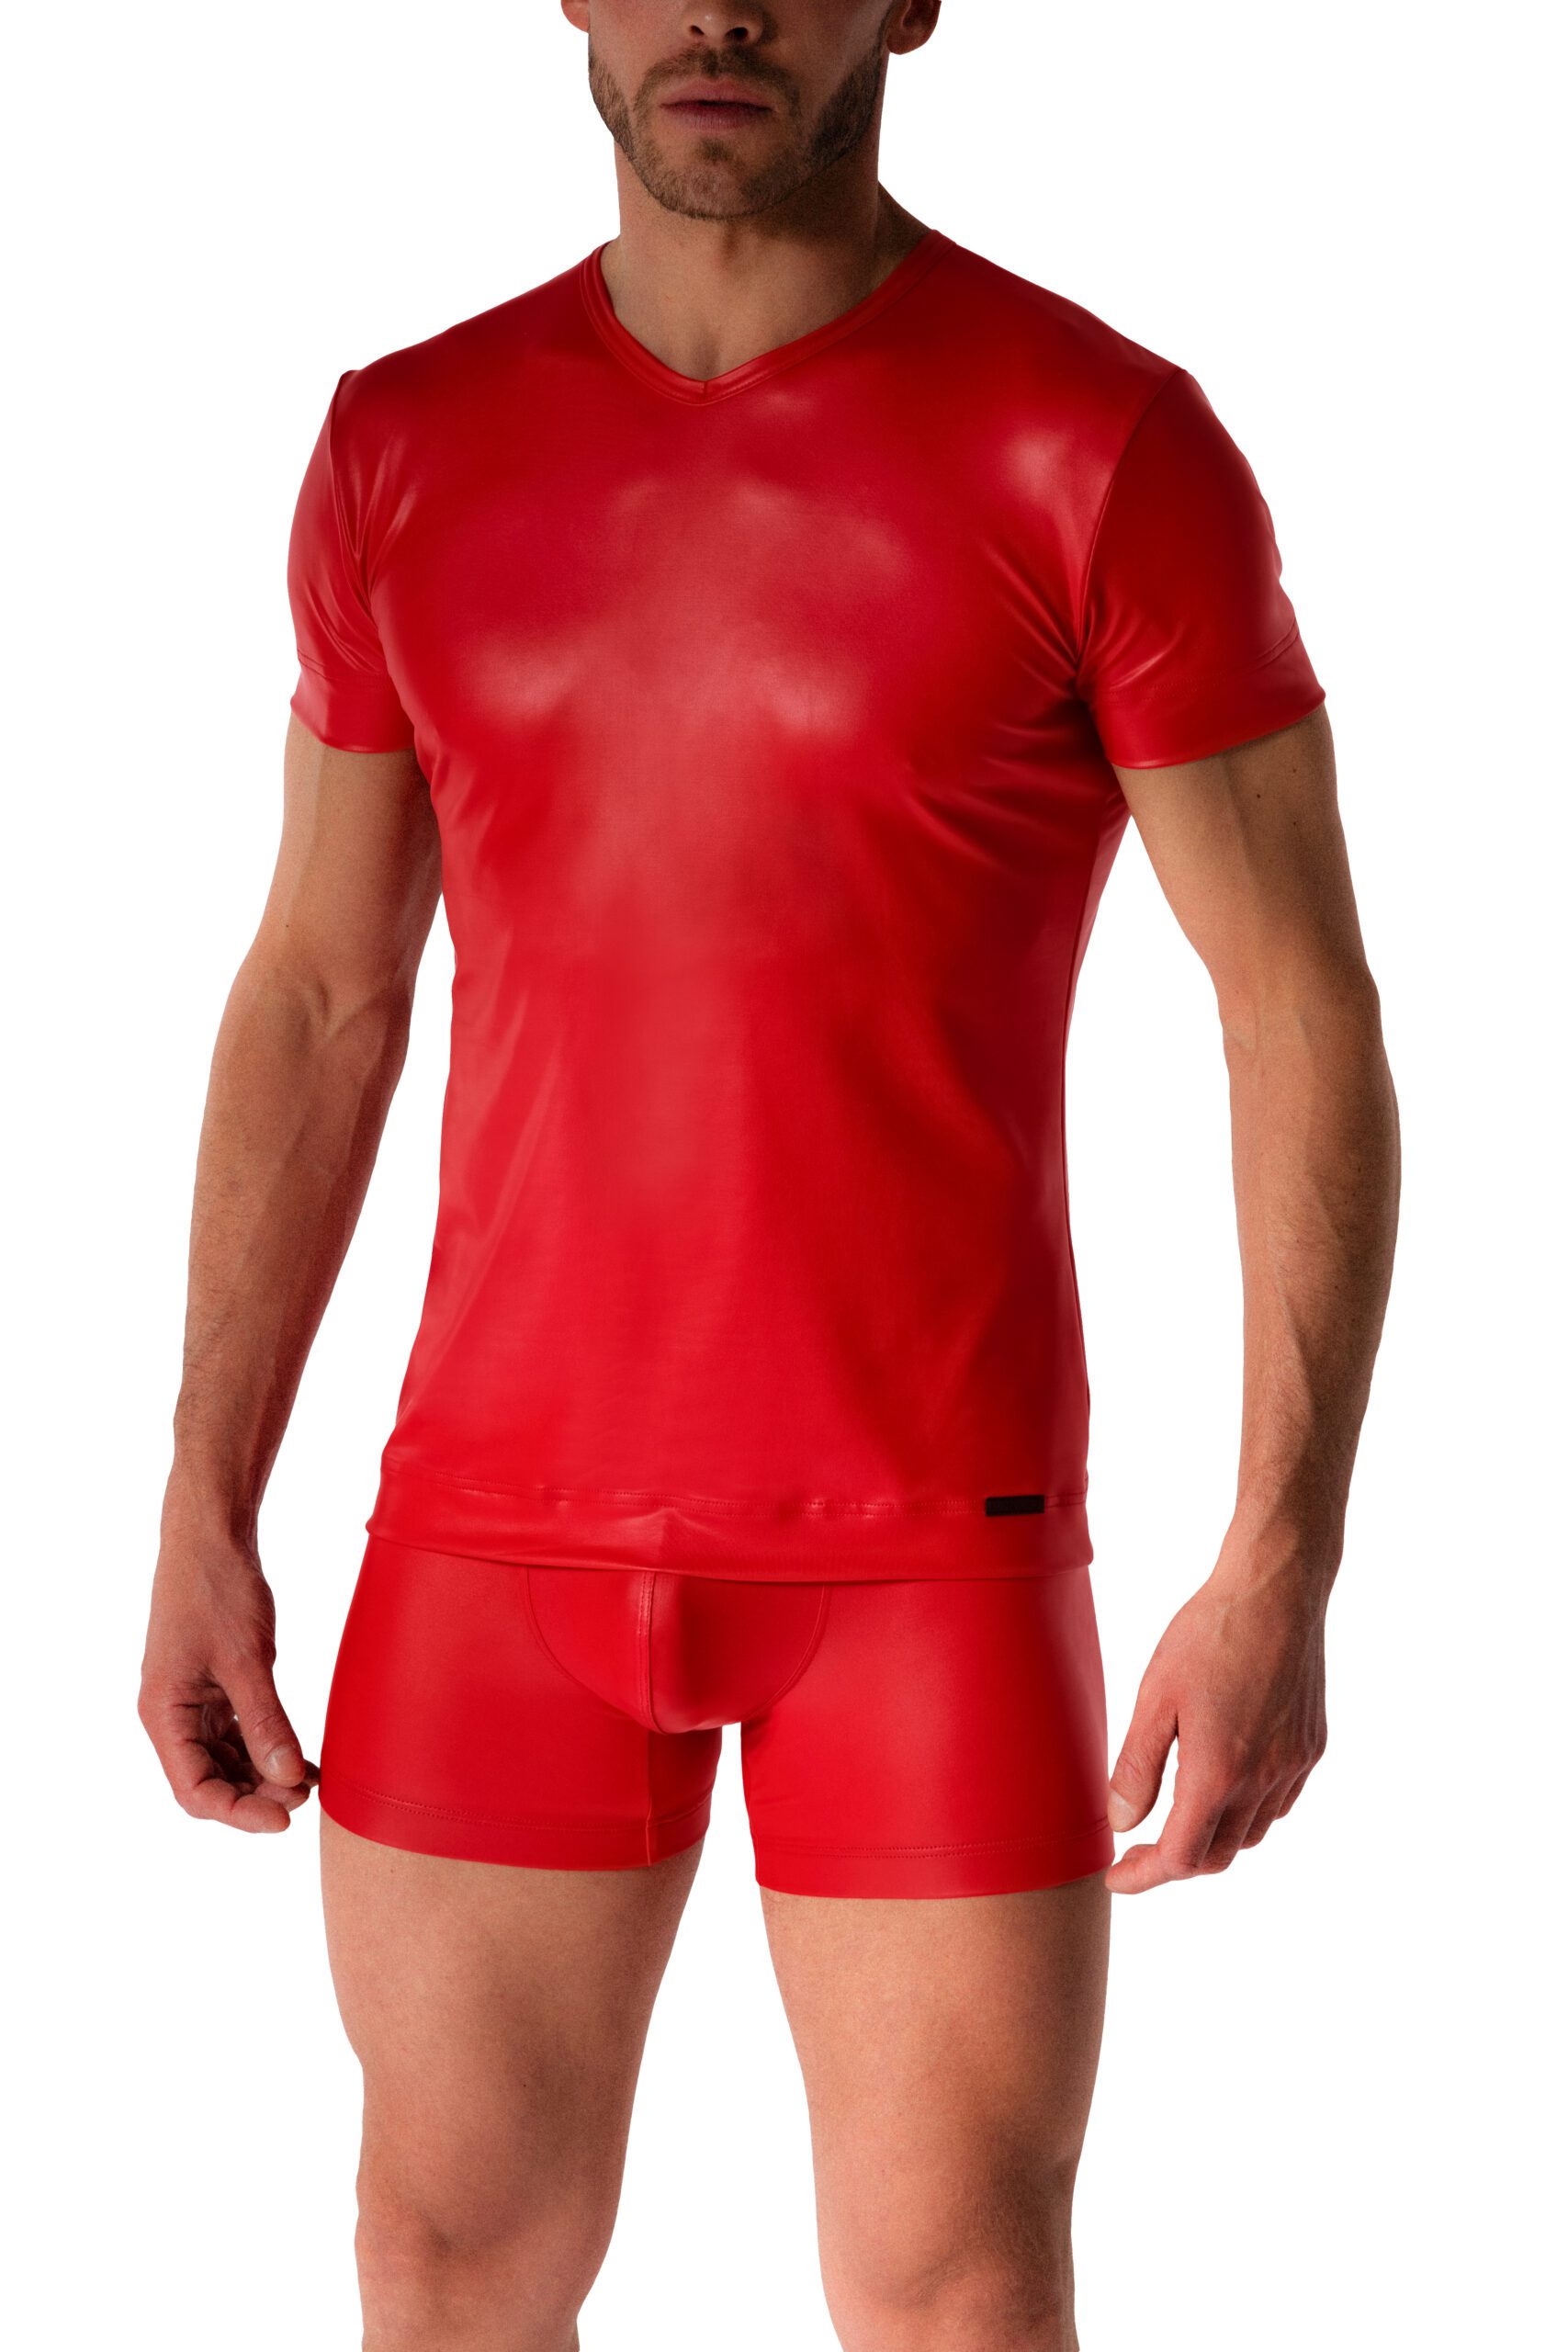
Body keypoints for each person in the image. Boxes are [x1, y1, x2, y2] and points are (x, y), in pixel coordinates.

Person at [138, 4, 1400, 2346]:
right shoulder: (400, 443)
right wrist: (203, 1497)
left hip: (925, 1551)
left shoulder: (1098, 445)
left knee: (957, 2299)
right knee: (442, 2272)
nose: (716, 5)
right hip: (489, 1532)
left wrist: (1278, 1556)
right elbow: (319, 988)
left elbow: (1297, 1007)